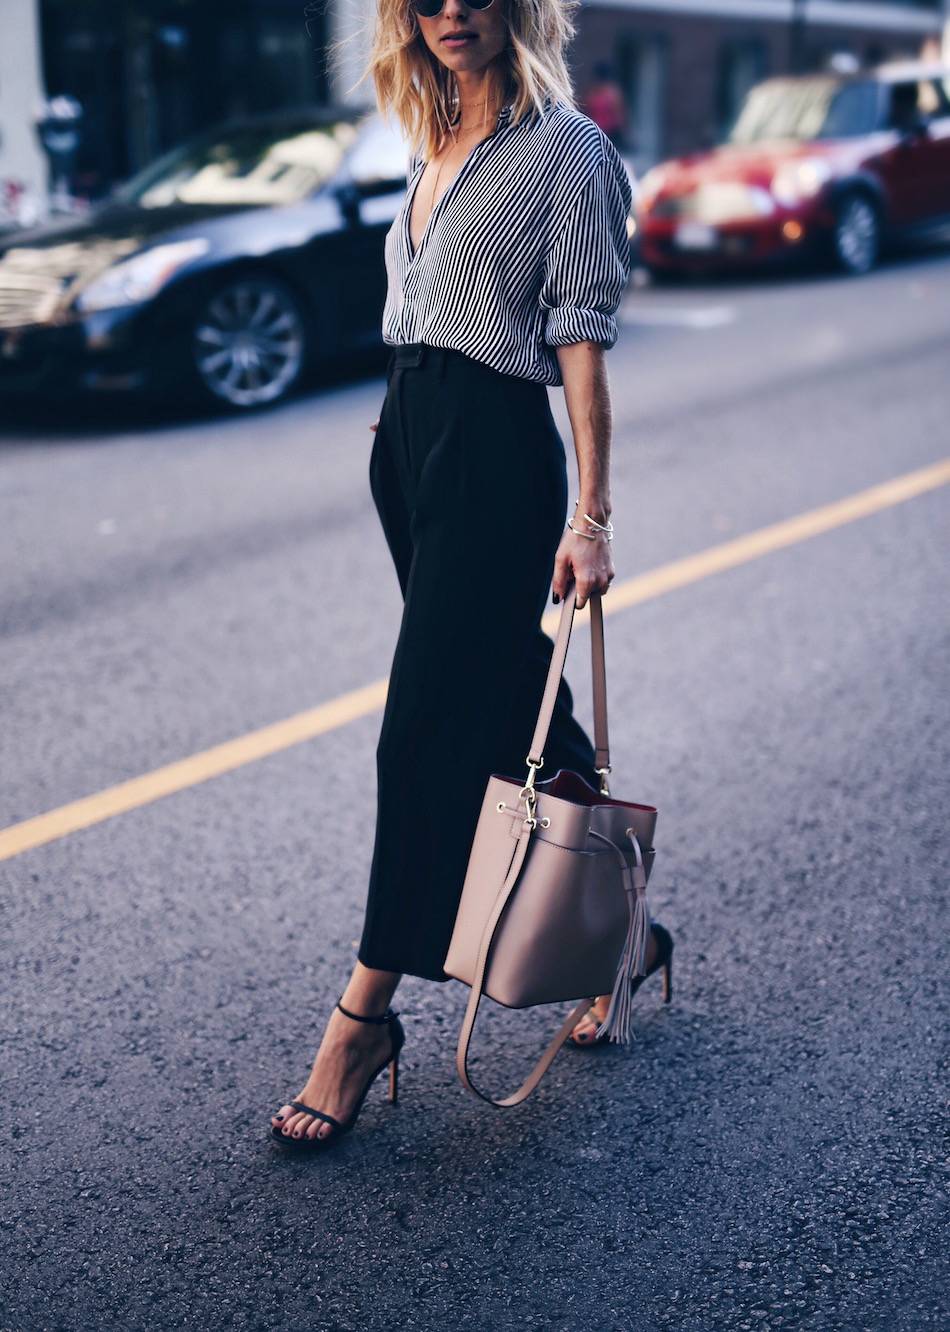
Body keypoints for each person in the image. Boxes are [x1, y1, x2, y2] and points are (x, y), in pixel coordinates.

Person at [269, 0, 671, 1149]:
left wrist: (590, 515)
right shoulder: (432, 133)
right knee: (501, 702)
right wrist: (394, 425)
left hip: (497, 454)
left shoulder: (567, 149)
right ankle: (625, 934)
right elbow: (422, 306)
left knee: (422, 735)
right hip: (411, 445)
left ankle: (362, 1021)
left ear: (518, 9)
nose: (452, 13)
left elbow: (581, 340)